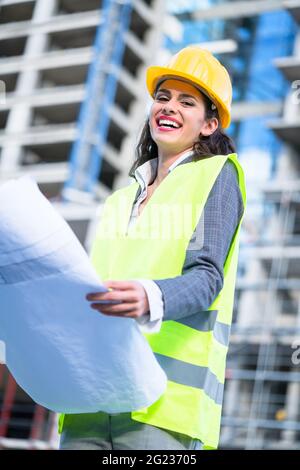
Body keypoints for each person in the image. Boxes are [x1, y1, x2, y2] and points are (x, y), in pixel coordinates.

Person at [58, 45, 246, 450]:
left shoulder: (216, 175)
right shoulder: (116, 203)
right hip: (89, 394)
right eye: (162, 97)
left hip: (161, 408)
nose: (169, 107)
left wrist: (149, 295)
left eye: (186, 101)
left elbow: (207, 277)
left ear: (210, 124)